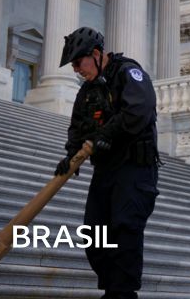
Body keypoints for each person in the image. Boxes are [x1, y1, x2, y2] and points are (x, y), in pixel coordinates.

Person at [54, 27, 160, 299]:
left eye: (79, 62)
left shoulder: (128, 73)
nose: (77, 69)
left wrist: (107, 134)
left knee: (125, 229)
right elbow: (77, 126)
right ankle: (113, 289)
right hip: (106, 170)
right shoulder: (87, 92)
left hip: (135, 169)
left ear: (97, 54)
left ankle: (121, 294)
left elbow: (139, 109)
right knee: (94, 232)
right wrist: (71, 156)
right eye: (74, 64)